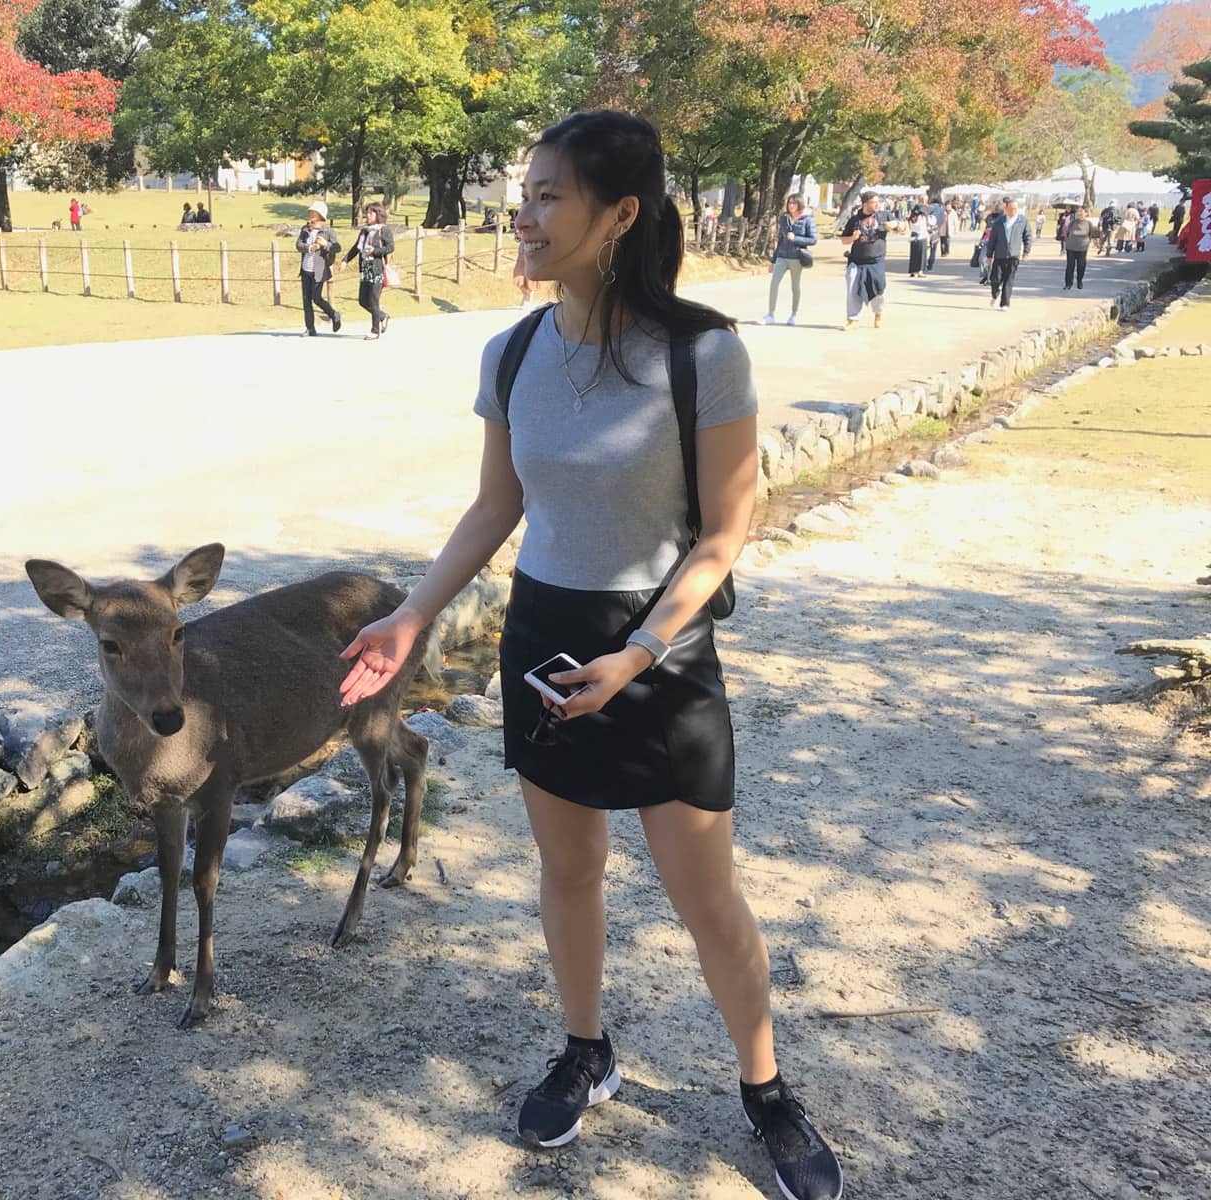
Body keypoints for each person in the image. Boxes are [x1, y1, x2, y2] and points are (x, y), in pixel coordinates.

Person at [337, 108, 843, 1200]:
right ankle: (586, 1048)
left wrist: (644, 650)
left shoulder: (702, 352)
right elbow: (494, 508)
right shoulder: (511, 349)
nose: (522, 215)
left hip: (660, 654)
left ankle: (764, 1091)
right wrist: (410, 616)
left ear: (619, 214)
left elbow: (722, 534)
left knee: (705, 896)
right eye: (523, 193)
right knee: (567, 870)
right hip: (543, 638)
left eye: (546, 195)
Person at [344, 200, 395, 339]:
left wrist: (375, 251)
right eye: (367, 213)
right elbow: (356, 247)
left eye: (371, 213)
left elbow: (390, 247)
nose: (367, 215)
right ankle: (383, 316)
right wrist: (345, 260)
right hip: (365, 268)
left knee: (373, 300)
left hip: (377, 268)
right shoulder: (365, 230)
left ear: (378, 214)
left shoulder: (384, 230)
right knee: (362, 301)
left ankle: (375, 330)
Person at [762, 194, 816, 325]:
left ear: (800, 204)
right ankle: (770, 314)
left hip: (797, 257)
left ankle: (793, 314)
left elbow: (813, 239)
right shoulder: (784, 218)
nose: (791, 205)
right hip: (782, 256)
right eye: (789, 203)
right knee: (774, 283)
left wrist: (796, 238)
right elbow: (780, 240)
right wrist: (773, 261)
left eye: (794, 203)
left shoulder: (807, 219)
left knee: (795, 286)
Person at [841, 190, 888, 330]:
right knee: (852, 287)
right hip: (857, 260)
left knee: (878, 289)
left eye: (878, 202)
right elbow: (844, 240)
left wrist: (896, 225)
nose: (877, 205)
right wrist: (852, 238)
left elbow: (902, 227)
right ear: (865, 203)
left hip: (876, 260)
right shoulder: (854, 220)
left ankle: (878, 313)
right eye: (874, 202)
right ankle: (852, 319)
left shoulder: (883, 216)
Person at [295, 200, 342, 336]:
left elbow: (337, 247)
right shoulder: (305, 229)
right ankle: (310, 328)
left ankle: (334, 314)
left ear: (320, 215)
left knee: (316, 298)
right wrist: (309, 247)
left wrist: (325, 244)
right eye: (310, 212)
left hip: (319, 269)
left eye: (313, 212)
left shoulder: (328, 231)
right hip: (305, 269)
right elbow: (298, 245)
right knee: (306, 299)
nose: (310, 214)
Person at [986, 196, 1031, 310]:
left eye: (1015, 209)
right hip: (1000, 255)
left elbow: (1028, 238)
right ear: (1006, 209)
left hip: (1013, 256)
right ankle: (995, 294)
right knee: (995, 280)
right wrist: (989, 255)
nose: (1013, 211)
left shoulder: (1023, 221)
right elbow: (992, 240)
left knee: (1009, 280)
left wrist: (1026, 252)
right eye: (1011, 208)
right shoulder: (999, 222)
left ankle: (1005, 303)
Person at [1062, 205, 1093, 290]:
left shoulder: (1088, 224)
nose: (1079, 213)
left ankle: (1079, 281)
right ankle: (1068, 284)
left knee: (1081, 266)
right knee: (1070, 266)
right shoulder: (1072, 222)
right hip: (1071, 247)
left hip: (1082, 248)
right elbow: (1067, 233)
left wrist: (1086, 243)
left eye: (1081, 212)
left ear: (1086, 213)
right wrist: (1066, 243)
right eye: (1078, 212)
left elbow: (1090, 235)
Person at [906, 205, 929, 277]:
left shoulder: (911, 218)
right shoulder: (922, 218)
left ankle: (913, 271)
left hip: (913, 237)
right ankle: (920, 271)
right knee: (921, 256)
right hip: (921, 237)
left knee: (914, 255)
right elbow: (924, 229)